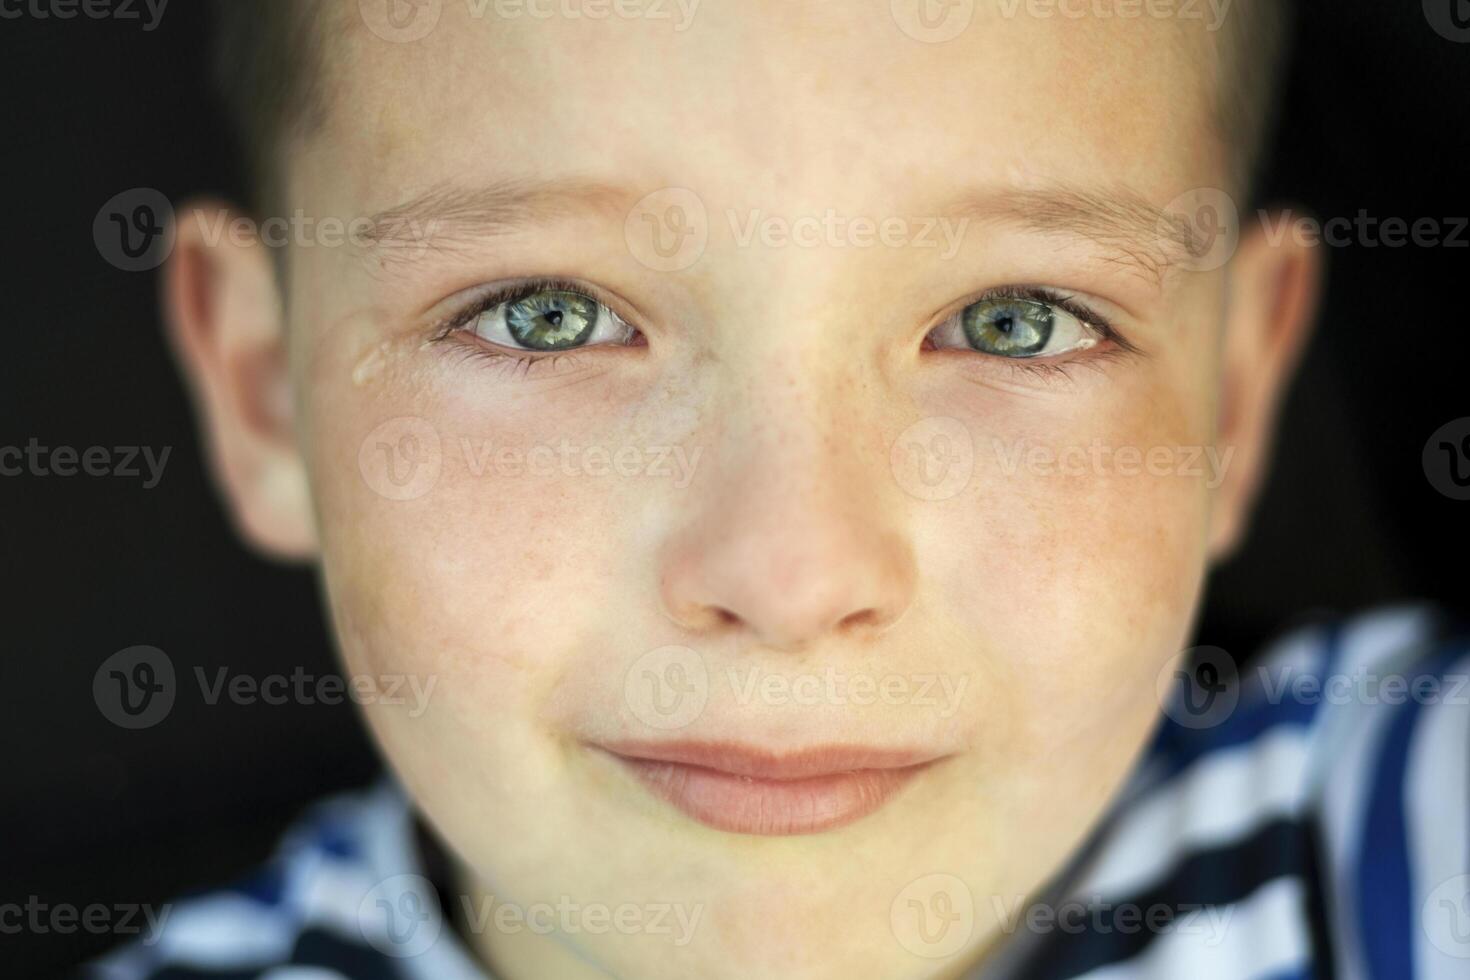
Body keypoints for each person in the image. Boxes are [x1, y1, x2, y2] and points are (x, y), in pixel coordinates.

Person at [90, 1, 1469, 977]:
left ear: (1227, 403)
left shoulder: (1397, 838)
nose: (791, 576)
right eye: (547, 315)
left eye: (1016, 321)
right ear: (268, 392)